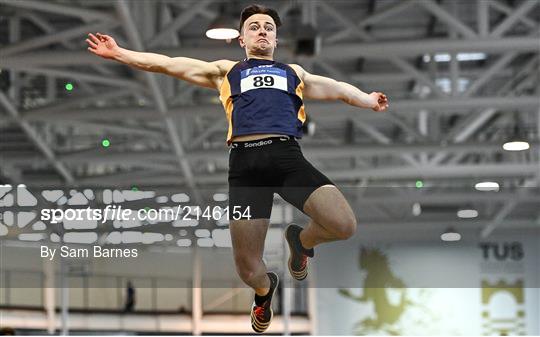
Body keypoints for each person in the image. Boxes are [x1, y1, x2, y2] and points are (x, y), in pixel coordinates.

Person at [87, 4, 388, 333]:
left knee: (344, 224)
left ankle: (302, 242)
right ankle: (264, 291)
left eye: (269, 27)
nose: (262, 31)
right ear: (241, 39)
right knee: (248, 269)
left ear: (275, 38)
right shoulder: (224, 71)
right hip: (246, 168)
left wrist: (367, 99)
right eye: (255, 27)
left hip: (287, 158)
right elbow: (168, 64)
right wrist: (119, 53)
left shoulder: (294, 73)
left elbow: (337, 88)